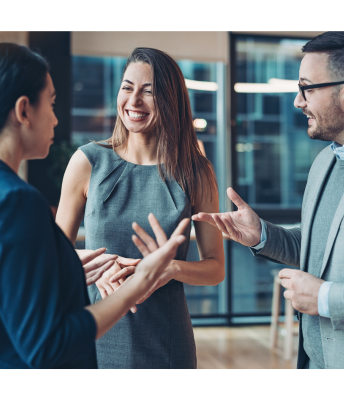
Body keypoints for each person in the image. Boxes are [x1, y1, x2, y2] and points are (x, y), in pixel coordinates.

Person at [0, 43, 189, 369]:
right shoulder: (15, 201)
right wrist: (139, 283)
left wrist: (63, 269)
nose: (55, 119)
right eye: (50, 103)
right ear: (24, 111)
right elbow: (49, 345)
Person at [193, 32, 344, 369]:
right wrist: (262, 234)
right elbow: (324, 249)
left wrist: (326, 299)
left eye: (307, 88)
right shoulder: (325, 162)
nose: (298, 101)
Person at [56, 47, 225, 368]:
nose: (134, 101)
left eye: (149, 92)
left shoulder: (196, 171)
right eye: (127, 87)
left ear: (171, 100)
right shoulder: (87, 162)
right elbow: (51, 260)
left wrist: (171, 268)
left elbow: (215, 268)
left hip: (166, 338)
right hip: (95, 330)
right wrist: (93, 265)